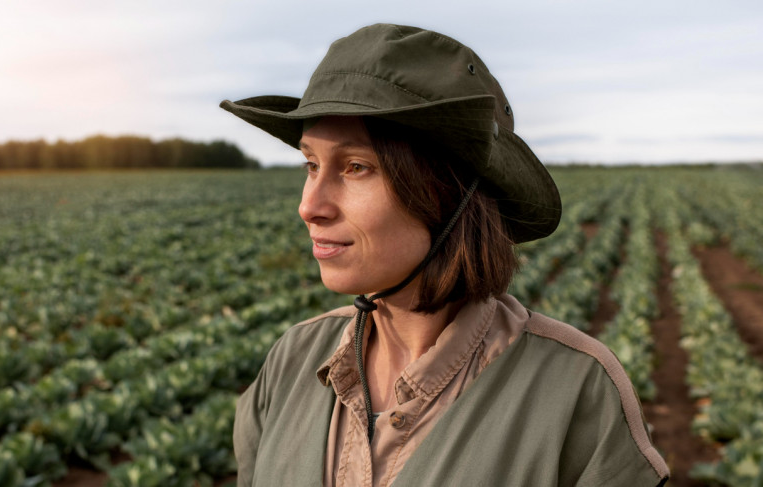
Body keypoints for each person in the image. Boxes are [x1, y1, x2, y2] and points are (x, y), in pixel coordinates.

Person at [220, 23, 669, 487]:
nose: (309, 206)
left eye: (355, 167)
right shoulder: (291, 360)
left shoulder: (578, 390)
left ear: (447, 194)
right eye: (311, 165)